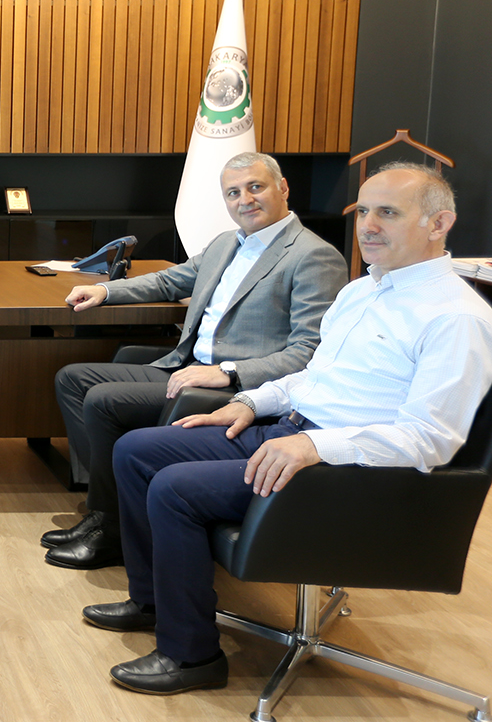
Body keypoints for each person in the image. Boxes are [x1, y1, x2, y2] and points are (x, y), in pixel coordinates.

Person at [85, 163, 492, 695]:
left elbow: (429, 439)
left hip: (351, 470)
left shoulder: (457, 317)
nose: (368, 226)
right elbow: (313, 375)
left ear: (439, 223)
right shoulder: (362, 291)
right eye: (363, 211)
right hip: (292, 432)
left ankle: (191, 656)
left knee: (174, 488)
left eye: (388, 213)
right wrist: (250, 402)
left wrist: (313, 444)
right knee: (136, 450)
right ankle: (154, 602)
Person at [43, 152, 347, 570]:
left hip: (235, 387)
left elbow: (308, 352)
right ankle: (110, 512)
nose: (245, 200)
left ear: (283, 188)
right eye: (233, 193)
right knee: (74, 379)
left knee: (103, 400)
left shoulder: (313, 256)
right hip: (185, 365)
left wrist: (228, 372)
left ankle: (114, 530)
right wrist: (107, 291)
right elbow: (171, 280)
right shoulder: (227, 243)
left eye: (255, 187)